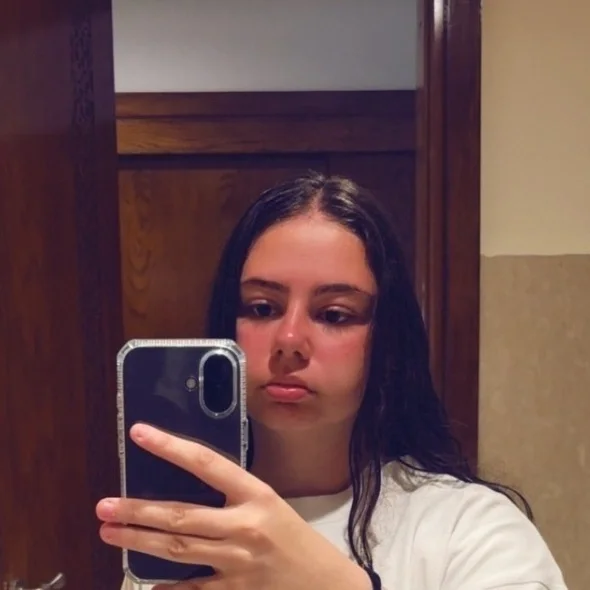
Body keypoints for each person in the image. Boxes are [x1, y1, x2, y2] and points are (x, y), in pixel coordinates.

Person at [97, 172, 568, 589]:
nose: (289, 340)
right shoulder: (186, 528)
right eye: (262, 308)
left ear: (385, 340)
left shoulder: (471, 530)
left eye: (334, 314)